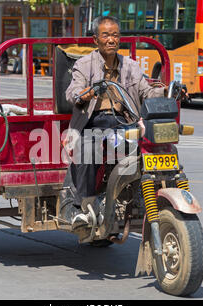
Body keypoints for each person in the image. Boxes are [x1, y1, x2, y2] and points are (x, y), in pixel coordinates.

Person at [64, 16, 170, 229]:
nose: (111, 40)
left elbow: (145, 91)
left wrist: (167, 91)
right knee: (87, 147)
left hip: (122, 122)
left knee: (153, 147)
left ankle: (141, 195)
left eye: (115, 35)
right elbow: (72, 93)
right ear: (96, 40)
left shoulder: (130, 65)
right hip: (92, 122)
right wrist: (86, 93)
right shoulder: (84, 65)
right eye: (106, 35)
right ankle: (84, 206)